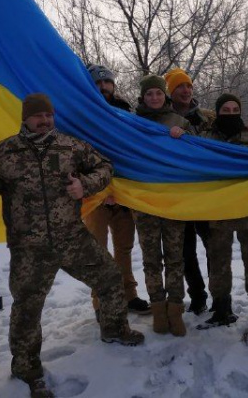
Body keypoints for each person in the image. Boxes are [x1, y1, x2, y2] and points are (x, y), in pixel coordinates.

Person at [0, 93, 143, 397]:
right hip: (29, 246)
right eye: (38, 116)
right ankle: (26, 366)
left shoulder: (70, 146)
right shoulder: (5, 152)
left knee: (110, 277)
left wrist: (83, 185)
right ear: (25, 118)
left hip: (70, 236)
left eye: (49, 116)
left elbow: (104, 167)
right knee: (27, 306)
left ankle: (114, 328)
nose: (45, 121)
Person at [199, 94, 248, 330]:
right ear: (218, 111)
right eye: (226, 109)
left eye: (235, 109)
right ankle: (221, 310)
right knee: (218, 263)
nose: (231, 113)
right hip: (218, 212)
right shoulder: (206, 137)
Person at [84, 64, 151, 317]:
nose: (103, 87)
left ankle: (129, 295)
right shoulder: (81, 111)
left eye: (107, 83)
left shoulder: (124, 111)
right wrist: (102, 190)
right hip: (95, 195)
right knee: (98, 251)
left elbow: (130, 153)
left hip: (124, 195)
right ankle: (102, 303)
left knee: (124, 248)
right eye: (98, 83)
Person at [133, 74, 191, 336]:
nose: (154, 98)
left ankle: (175, 309)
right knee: (151, 258)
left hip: (173, 199)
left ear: (164, 96)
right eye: (149, 94)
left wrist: (184, 137)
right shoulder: (131, 124)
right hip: (144, 200)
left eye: (158, 93)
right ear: (143, 97)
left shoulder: (179, 121)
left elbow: (197, 152)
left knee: (175, 257)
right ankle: (158, 308)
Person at [164, 67, 214, 314]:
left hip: (205, 192)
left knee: (212, 245)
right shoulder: (161, 119)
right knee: (185, 250)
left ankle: (220, 294)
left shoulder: (205, 117)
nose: (185, 90)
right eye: (179, 87)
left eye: (188, 86)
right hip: (178, 193)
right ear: (171, 92)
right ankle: (197, 295)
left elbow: (224, 135)